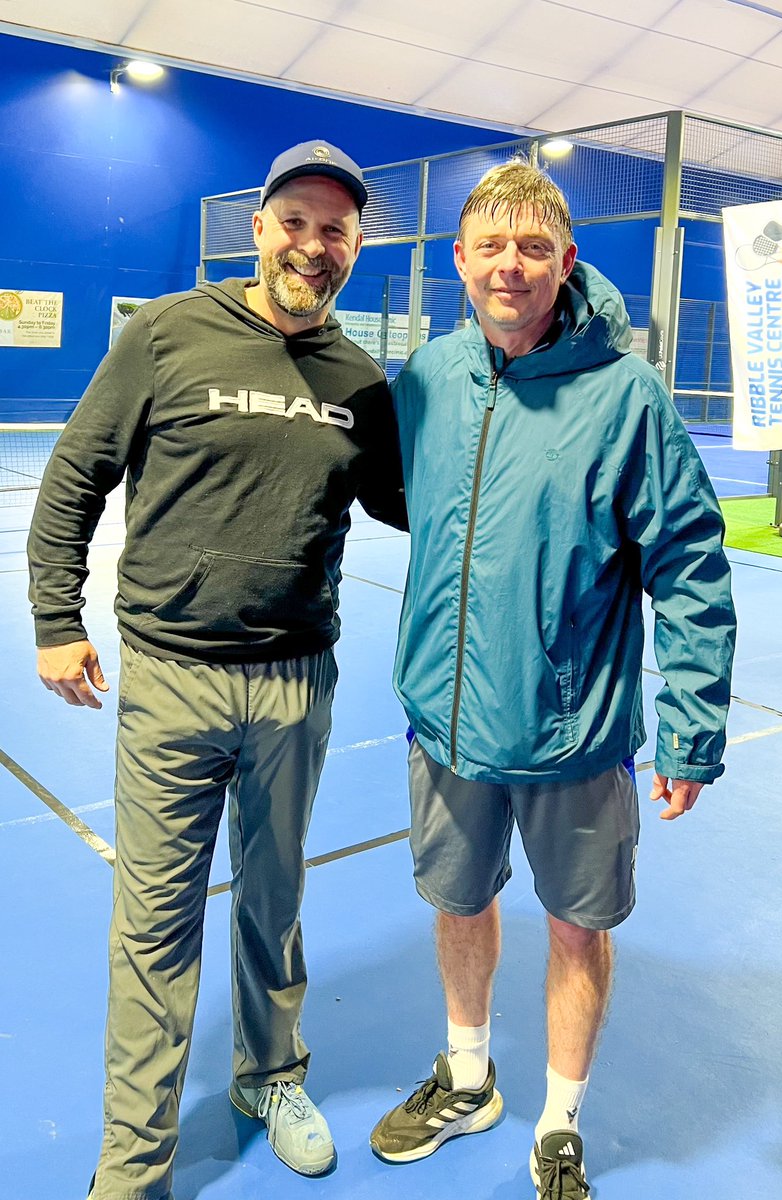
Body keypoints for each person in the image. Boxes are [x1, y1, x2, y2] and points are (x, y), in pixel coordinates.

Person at [27, 139, 406, 1200]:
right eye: (297, 222)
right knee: (155, 921)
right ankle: (133, 1162)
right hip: (171, 680)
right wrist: (58, 617)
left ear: (354, 246)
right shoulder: (168, 333)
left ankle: (270, 1075)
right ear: (260, 227)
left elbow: (415, 505)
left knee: (273, 898)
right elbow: (74, 479)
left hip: (295, 683)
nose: (314, 245)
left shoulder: (358, 379)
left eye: (335, 230)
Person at [369, 160, 736, 1198]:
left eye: (534, 247)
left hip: (574, 732)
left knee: (577, 926)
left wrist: (691, 726)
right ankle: (468, 1074)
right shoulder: (430, 376)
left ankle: (560, 1122)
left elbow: (691, 565)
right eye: (491, 246)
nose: (511, 266)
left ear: (565, 261)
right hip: (444, 725)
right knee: (457, 899)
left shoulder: (625, 396)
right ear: (459, 260)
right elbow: (416, 500)